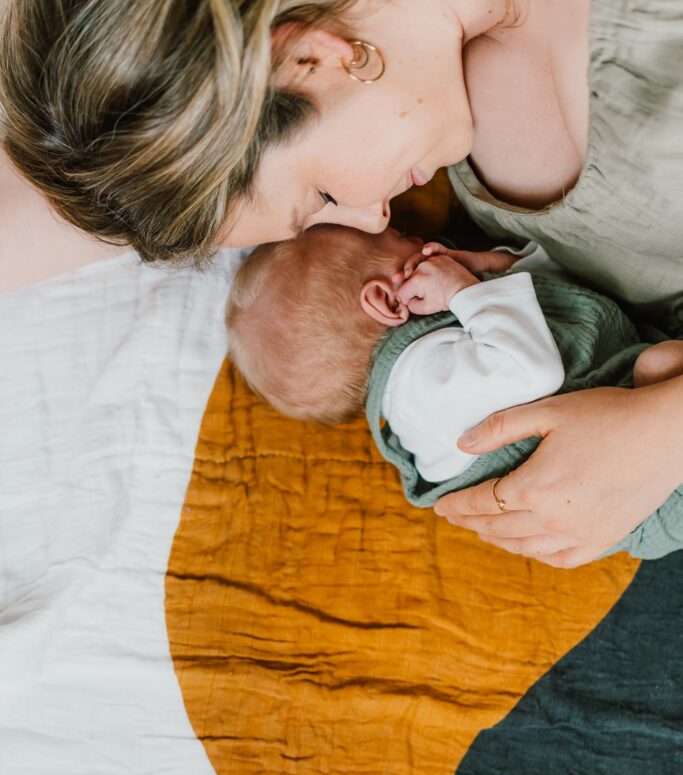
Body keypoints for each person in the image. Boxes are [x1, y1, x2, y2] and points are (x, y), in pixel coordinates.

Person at [2, 0, 682, 566]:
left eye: (321, 194)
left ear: (314, 59)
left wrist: (658, 435)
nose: (370, 217)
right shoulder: (434, 81)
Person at [226, 224, 683, 558]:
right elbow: (533, 368)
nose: (428, 244)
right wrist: (465, 290)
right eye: (405, 239)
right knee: (663, 362)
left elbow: (551, 306)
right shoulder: (420, 383)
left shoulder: (434, 367)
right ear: (385, 299)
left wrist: (497, 268)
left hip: (630, 470)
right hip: (649, 493)